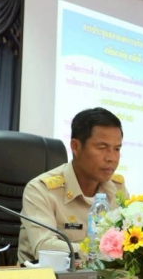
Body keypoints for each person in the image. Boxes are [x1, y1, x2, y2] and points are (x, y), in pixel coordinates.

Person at [17, 107, 130, 265]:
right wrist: (99, 251)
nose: (111, 158)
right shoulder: (41, 190)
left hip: (101, 278)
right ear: (75, 147)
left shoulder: (117, 188)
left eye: (117, 149)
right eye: (102, 148)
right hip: (47, 278)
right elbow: (44, 248)